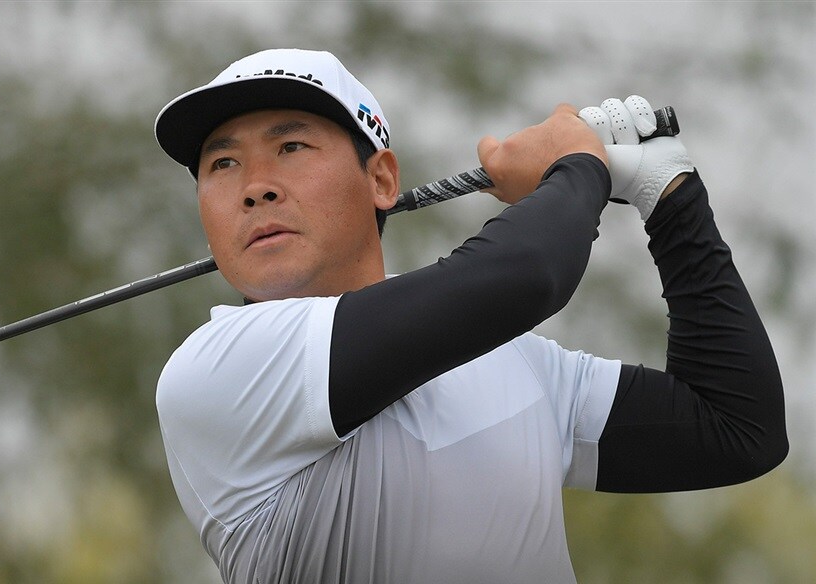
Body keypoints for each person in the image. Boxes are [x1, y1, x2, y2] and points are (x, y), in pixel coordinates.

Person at [153, 48, 788, 584]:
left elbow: (736, 429)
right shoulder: (215, 372)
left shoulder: (513, 363)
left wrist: (670, 198)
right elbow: (527, 273)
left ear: (381, 181)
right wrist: (577, 162)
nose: (254, 185)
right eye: (223, 162)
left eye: (291, 146)